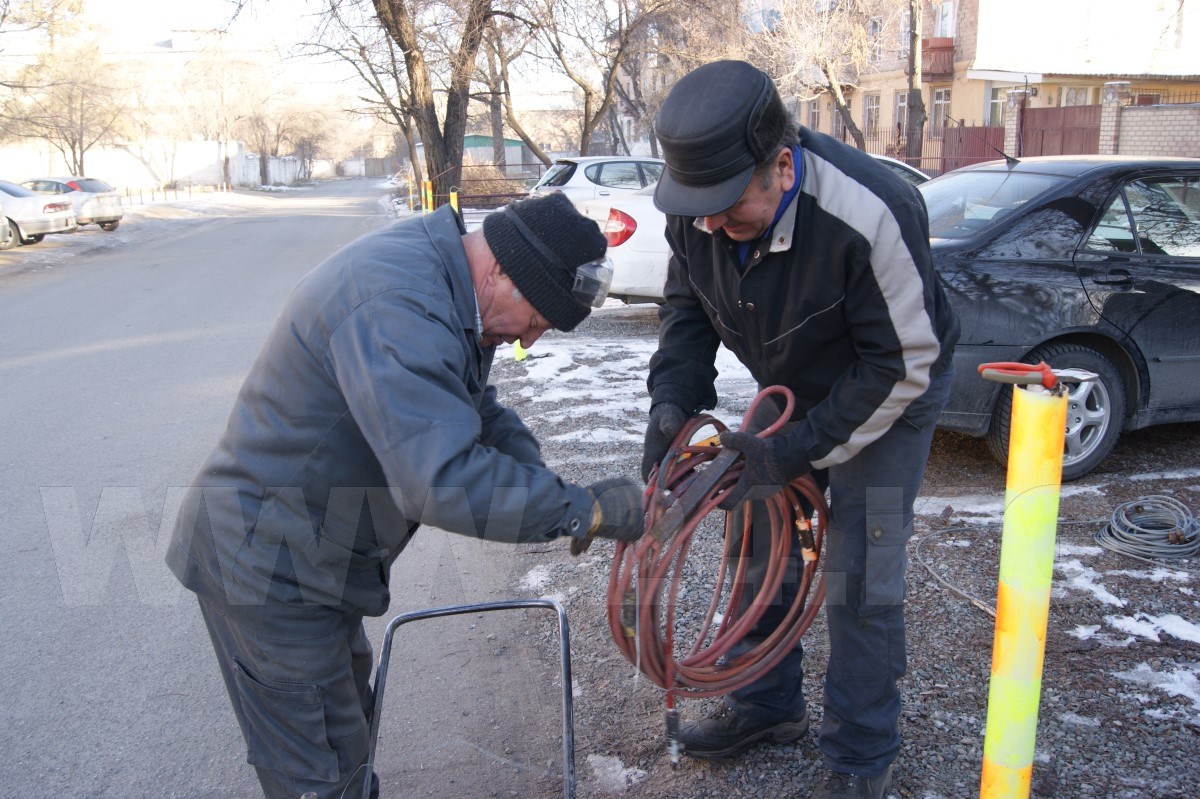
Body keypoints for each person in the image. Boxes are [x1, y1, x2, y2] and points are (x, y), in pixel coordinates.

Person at [166, 191, 646, 799]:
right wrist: (583, 510)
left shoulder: (441, 281)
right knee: (321, 774)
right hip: (270, 571)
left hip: (313, 561)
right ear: (502, 270)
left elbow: (472, 407)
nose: (533, 337)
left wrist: (539, 482)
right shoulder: (398, 305)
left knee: (345, 739)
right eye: (539, 317)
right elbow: (441, 481)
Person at [640, 61, 960, 799]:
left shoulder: (871, 211)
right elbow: (687, 310)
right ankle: (767, 703)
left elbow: (902, 361)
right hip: (796, 375)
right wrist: (671, 401)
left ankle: (860, 754)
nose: (709, 225)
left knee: (860, 563)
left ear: (783, 167)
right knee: (759, 533)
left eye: (727, 209)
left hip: (891, 381)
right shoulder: (700, 202)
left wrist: (790, 451)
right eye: (699, 211)